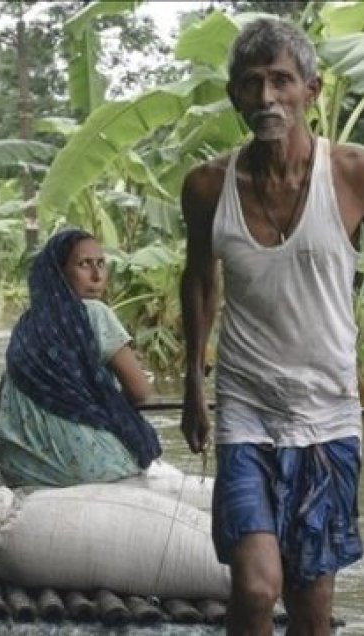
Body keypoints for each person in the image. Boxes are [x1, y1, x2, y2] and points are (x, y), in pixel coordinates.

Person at [179, 18, 364, 635]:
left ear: (311, 89)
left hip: (329, 415)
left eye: (281, 81)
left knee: (313, 611)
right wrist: (192, 383)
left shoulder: (351, 175)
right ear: (233, 95)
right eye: (252, 84)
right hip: (246, 412)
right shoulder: (208, 187)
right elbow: (199, 278)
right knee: (257, 590)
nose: (266, 98)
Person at [0, 228, 159, 487]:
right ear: (58, 272)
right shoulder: (95, 313)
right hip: (87, 468)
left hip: (15, 466)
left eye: (101, 264)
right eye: (84, 265)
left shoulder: (26, 326)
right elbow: (140, 392)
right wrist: (107, 405)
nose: (97, 275)